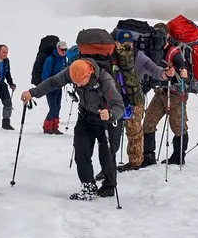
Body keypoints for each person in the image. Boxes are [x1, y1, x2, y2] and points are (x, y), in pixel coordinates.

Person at [22, 58, 124, 201]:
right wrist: (33, 92)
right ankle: (88, 188)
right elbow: (53, 82)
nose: (76, 85)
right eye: (74, 82)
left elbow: (119, 106)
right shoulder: (72, 71)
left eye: (80, 82)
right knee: (81, 154)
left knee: (106, 154)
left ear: (89, 74)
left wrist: (111, 114)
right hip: (86, 117)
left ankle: (109, 186)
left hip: (106, 120)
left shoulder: (105, 80)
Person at [115, 30, 172, 171]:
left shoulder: (139, 56)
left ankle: (135, 162)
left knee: (133, 132)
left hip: (133, 99)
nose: (127, 46)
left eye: (129, 44)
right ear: (116, 43)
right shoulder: (112, 56)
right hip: (116, 99)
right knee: (114, 134)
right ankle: (109, 164)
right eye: (124, 44)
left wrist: (165, 74)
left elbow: (154, 69)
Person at [141, 36, 197, 166]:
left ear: (166, 37)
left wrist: (181, 73)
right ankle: (148, 156)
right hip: (161, 92)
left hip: (176, 94)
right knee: (149, 121)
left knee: (178, 127)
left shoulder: (175, 53)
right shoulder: (155, 50)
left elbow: (185, 74)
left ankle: (178, 157)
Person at [39, 40, 69, 135]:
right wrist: (48, 86)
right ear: (57, 48)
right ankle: (47, 127)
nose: (63, 51)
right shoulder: (50, 59)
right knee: (53, 109)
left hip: (58, 87)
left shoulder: (64, 59)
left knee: (58, 107)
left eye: (65, 49)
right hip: (50, 87)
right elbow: (45, 75)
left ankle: (55, 127)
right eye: (62, 49)